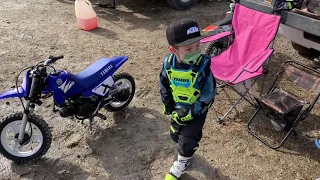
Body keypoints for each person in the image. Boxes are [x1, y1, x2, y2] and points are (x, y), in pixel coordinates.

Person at [160, 18, 217, 180]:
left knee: (187, 140)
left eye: (198, 46)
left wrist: (192, 112)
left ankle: (180, 164)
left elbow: (209, 94)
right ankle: (182, 144)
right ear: (173, 50)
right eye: (188, 48)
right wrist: (168, 105)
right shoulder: (168, 64)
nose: (196, 50)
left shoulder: (203, 66)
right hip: (179, 106)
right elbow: (164, 83)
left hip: (197, 109)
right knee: (175, 134)